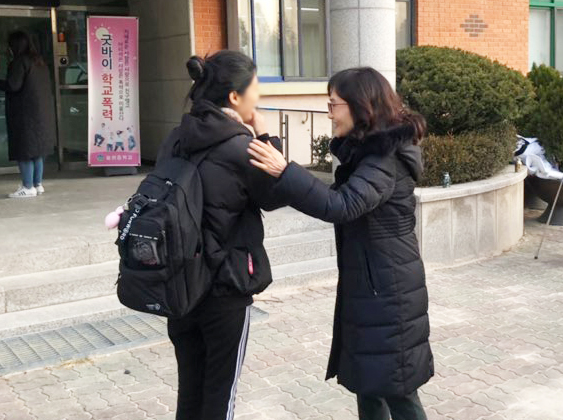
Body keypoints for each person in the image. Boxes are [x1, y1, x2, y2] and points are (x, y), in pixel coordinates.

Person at [247, 67, 434, 420]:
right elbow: (328, 196)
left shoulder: (383, 159)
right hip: (372, 285)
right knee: (369, 382)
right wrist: (266, 139)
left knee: (398, 390)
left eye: (334, 104)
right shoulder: (366, 154)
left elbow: (341, 206)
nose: (330, 113)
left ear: (361, 105)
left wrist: (286, 171)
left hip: (389, 291)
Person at [156, 50, 288, 420]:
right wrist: (265, 135)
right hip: (225, 288)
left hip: (181, 286)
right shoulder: (243, 148)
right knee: (220, 397)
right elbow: (275, 195)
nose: (258, 97)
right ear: (234, 96)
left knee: (190, 393)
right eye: (255, 88)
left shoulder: (174, 139)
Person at [0, 31, 55, 198]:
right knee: (37, 151)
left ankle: (28, 187)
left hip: (25, 114)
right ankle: (37, 184)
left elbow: (13, 85)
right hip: (41, 113)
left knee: (24, 150)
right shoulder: (39, 61)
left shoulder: (20, 62)